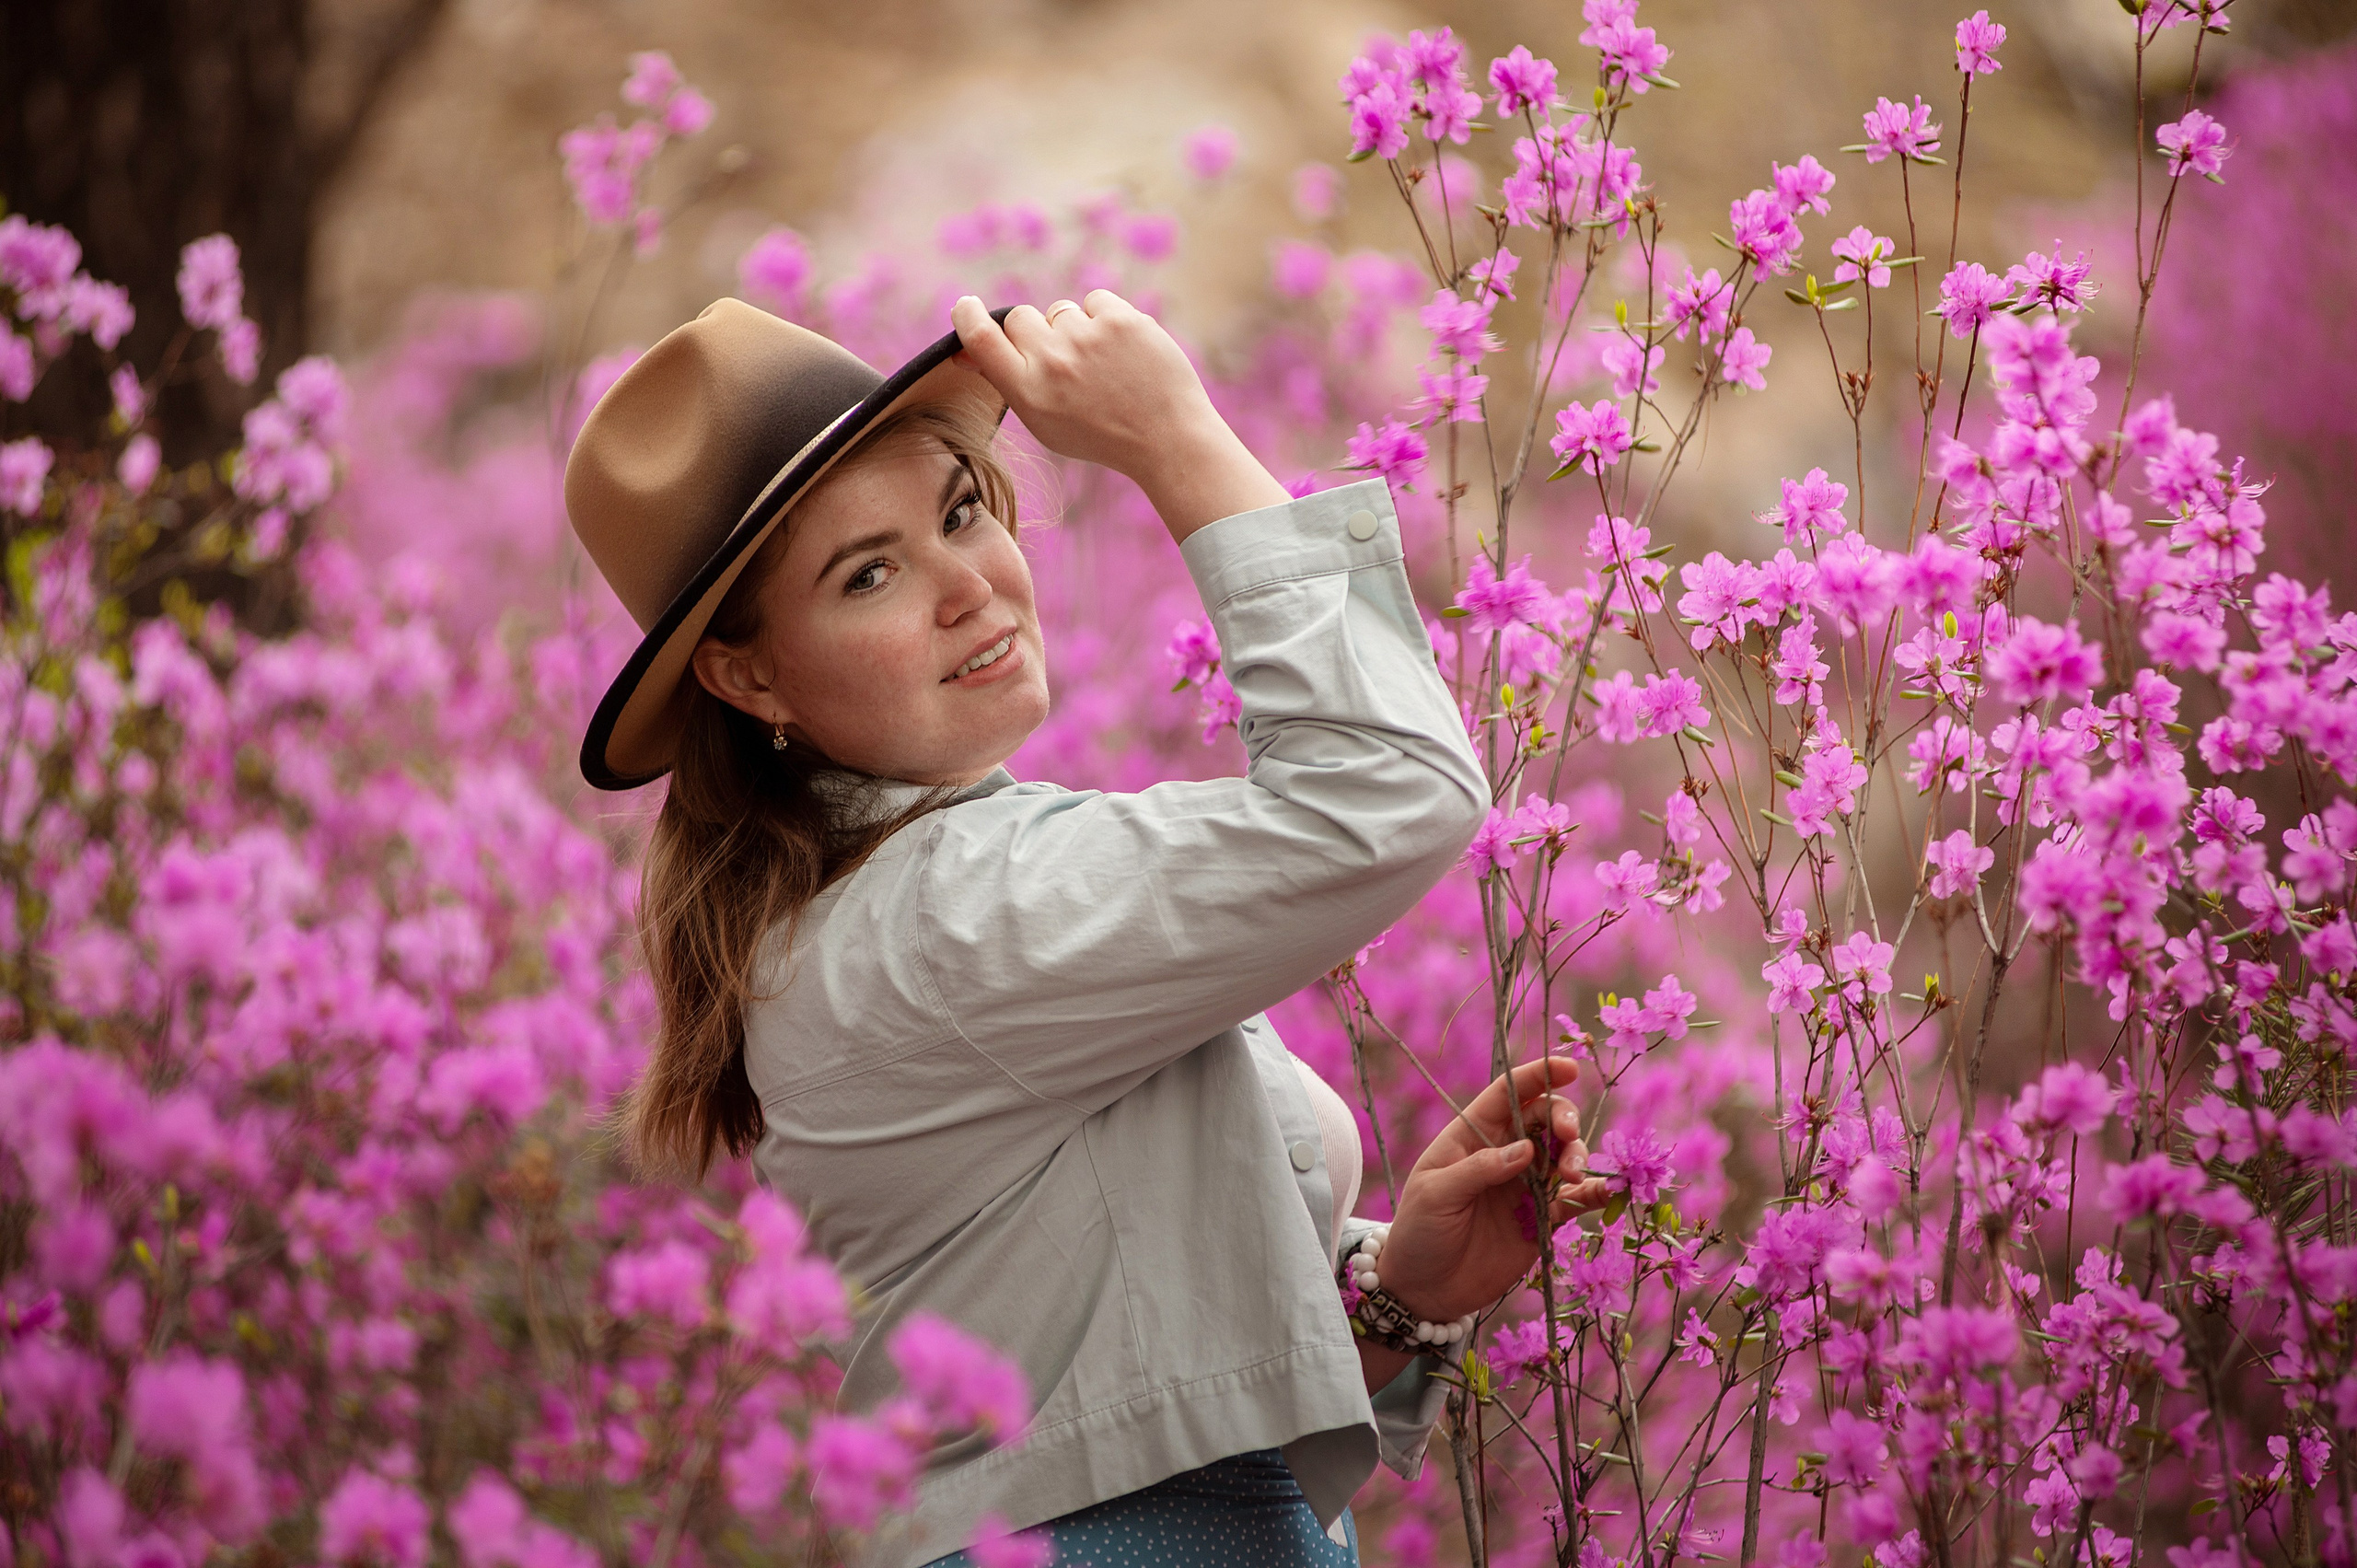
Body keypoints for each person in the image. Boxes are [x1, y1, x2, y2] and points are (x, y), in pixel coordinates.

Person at [562, 289, 1608, 1567]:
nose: (965, 586)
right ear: (748, 675)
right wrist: (1176, 438)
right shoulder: (947, 915)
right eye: (870, 573)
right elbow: (1388, 792)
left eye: (958, 512)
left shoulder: (891, 903)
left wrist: (1400, 1294)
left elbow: (1111, 1381)